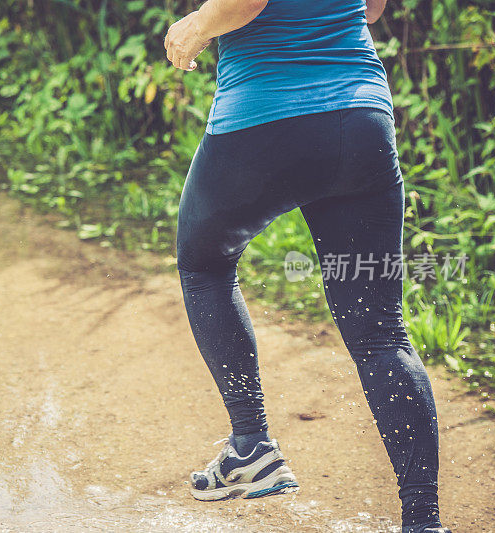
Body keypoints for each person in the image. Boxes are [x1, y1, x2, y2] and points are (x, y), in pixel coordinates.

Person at [163, 1, 449, 532]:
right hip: (362, 119)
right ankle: (423, 520)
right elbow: (373, 6)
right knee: (381, 333)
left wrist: (196, 26)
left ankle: (251, 445)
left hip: (265, 117)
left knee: (204, 263)